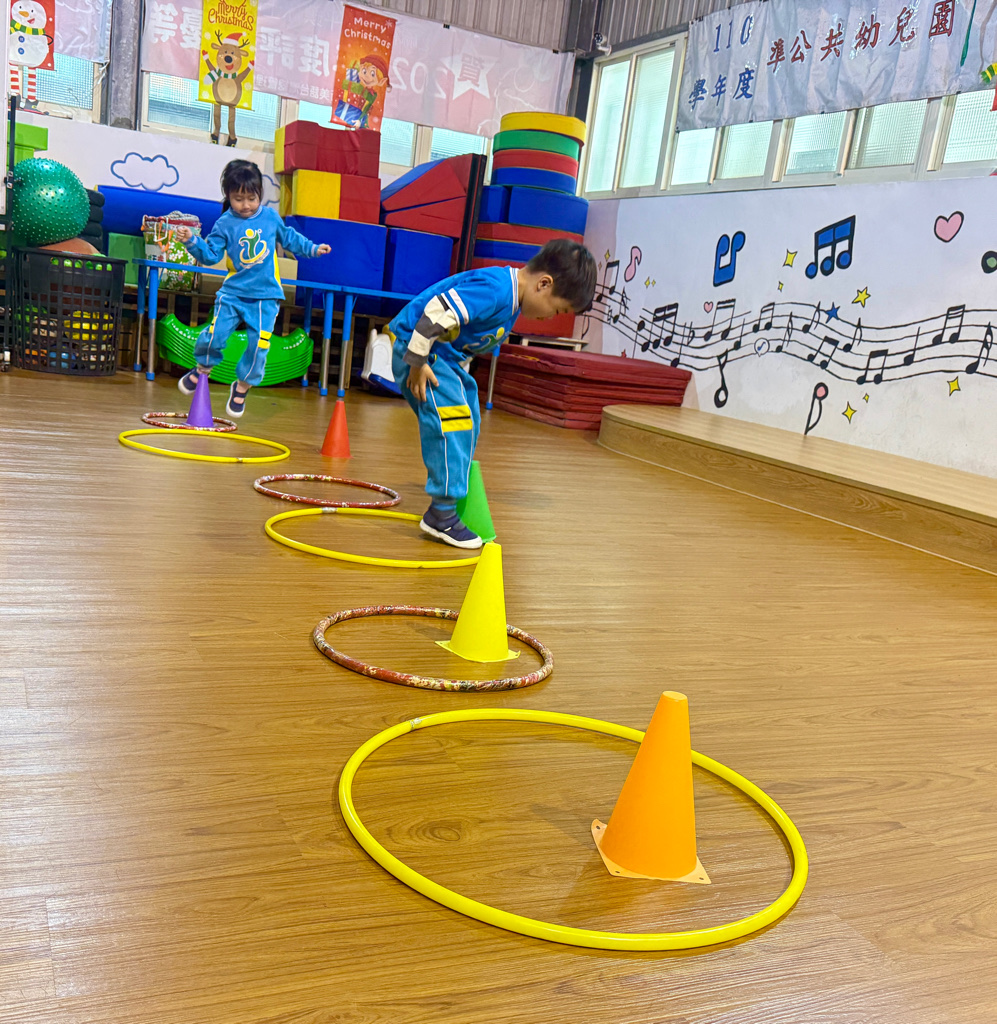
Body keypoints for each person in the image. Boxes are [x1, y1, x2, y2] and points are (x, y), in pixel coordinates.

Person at [391, 239, 597, 549]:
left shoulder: (512, 302)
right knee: (454, 423)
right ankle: (441, 514)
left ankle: (453, 491)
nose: (550, 317)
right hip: (420, 354)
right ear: (543, 284)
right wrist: (417, 362)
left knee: (470, 417)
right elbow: (436, 312)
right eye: (557, 309)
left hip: (441, 359)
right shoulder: (497, 289)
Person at [174, 160, 330, 417]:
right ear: (228, 196)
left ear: (260, 194)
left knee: (259, 346)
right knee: (215, 335)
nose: (246, 205)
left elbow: (290, 238)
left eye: (251, 198)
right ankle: (202, 369)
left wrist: (313, 249)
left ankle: (242, 386)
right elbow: (211, 255)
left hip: (265, 297)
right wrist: (192, 241)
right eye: (238, 199)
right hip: (233, 294)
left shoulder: (269, 218)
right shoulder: (225, 223)